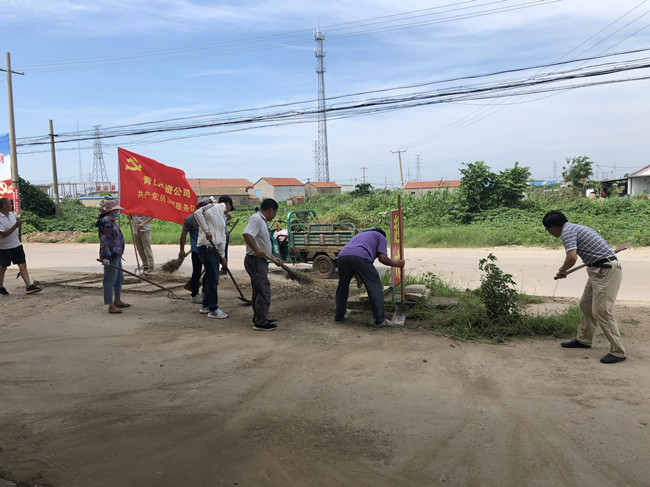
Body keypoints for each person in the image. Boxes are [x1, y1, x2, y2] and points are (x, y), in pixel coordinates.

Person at [543, 210, 625, 364]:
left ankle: (618, 351)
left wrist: (562, 270)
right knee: (586, 305)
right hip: (598, 268)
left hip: (605, 270)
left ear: (552, 227)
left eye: (547, 230)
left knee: (601, 311)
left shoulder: (567, 232)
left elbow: (571, 257)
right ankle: (584, 339)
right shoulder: (575, 228)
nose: (549, 233)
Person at [334, 228, 405, 327]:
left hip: (342, 257)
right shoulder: (381, 237)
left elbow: (352, 257)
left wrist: (358, 278)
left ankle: (339, 317)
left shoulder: (360, 236)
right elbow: (382, 258)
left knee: (342, 286)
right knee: (375, 285)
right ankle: (380, 320)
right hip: (360, 257)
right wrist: (397, 263)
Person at [243, 198, 282, 331]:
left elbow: (262, 244)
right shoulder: (256, 218)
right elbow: (247, 235)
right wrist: (256, 250)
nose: (274, 216)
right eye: (275, 212)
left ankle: (259, 318)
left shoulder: (262, 220)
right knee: (264, 290)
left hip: (260, 260)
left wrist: (273, 257)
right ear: (270, 210)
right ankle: (260, 322)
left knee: (259, 291)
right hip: (255, 261)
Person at [194, 198, 230, 319]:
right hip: (206, 248)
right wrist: (207, 231)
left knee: (211, 279)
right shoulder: (212, 207)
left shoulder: (222, 217)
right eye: (230, 208)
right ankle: (213, 309)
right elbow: (197, 213)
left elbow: (222, 237)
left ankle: (205, 305)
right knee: (213, 280)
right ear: (227, 205)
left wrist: (222, 256)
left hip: (214, 250)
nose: (229, 212)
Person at [0, 197, 42, 295]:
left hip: (16, 245)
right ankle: (0, 286)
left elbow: (15, 230)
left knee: (23, 265)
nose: (11, 205)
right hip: (4, 247)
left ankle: (29, 285)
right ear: (4, 206)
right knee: (3, 267)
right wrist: (16, 225)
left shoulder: (11, 215)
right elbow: (4, 234)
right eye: (9, 204)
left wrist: (18, 237)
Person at [96, 200, 130, 314]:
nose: (118, 212)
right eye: (116, 210)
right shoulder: (107, 222)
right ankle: (110, 304)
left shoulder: (111, 220)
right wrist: (105, 257)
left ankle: (117, 300)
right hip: (110, 255)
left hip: (116, 253)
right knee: (110, 280)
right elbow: (105, 240)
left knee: (119, 278)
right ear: (111, 211)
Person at [179, 199, 210, 304]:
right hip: (196, 251)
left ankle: (205, 292)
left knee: (208, 272)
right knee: (197, 272)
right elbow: (183, 235)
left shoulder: (208, 218)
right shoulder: (190, 219)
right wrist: (182, 250)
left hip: (208, 248)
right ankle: (195, 295)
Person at [218, 195, 235, 275]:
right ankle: (217, 268)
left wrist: (225, 220)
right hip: (218, 235)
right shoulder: (217, 212)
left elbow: (231, 216)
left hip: (224, 234)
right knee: (218, 252)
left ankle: (224, 269)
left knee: (223, 251)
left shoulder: (224, 212)